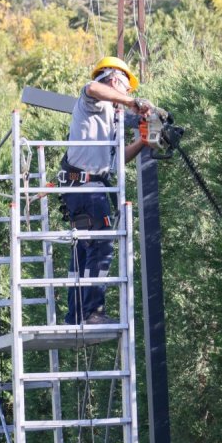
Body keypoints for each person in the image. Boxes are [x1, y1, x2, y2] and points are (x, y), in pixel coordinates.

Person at [59, 56, 155, 326]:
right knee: (101, 247)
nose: (127, 94)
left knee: (84, 249)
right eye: (126, 88)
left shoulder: (109, 117)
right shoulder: (93, 101)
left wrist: (143, 141)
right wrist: (132, 102)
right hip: (86, 188)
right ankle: (92, 313)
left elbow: (114, 161)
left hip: (87, 186)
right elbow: (92, 87)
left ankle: (76, 316)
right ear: (114, 80)